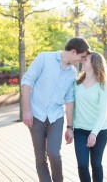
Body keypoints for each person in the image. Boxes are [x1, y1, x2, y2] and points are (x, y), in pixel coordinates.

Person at [21, 37, 91, 182]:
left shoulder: (72, 72)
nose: (81, 60)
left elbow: (69, 99)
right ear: (73, 52)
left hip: (56, 116)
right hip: (36, 115)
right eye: (81, 56)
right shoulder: (44, 58)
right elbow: (26, 82)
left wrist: (69, 126)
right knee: (40, 157)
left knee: (53, 153)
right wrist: (27, 110)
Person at [73, 51, 107, 182]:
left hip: (99, 131)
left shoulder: (102, 85)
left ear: (94, 64)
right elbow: (72, 107)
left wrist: (94, 133)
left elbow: (103, 112)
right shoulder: (76, 84)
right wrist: (69, 127)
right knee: (82, 165)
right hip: (80, 130)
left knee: (96, 164)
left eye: (86, 59)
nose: (82, 61)